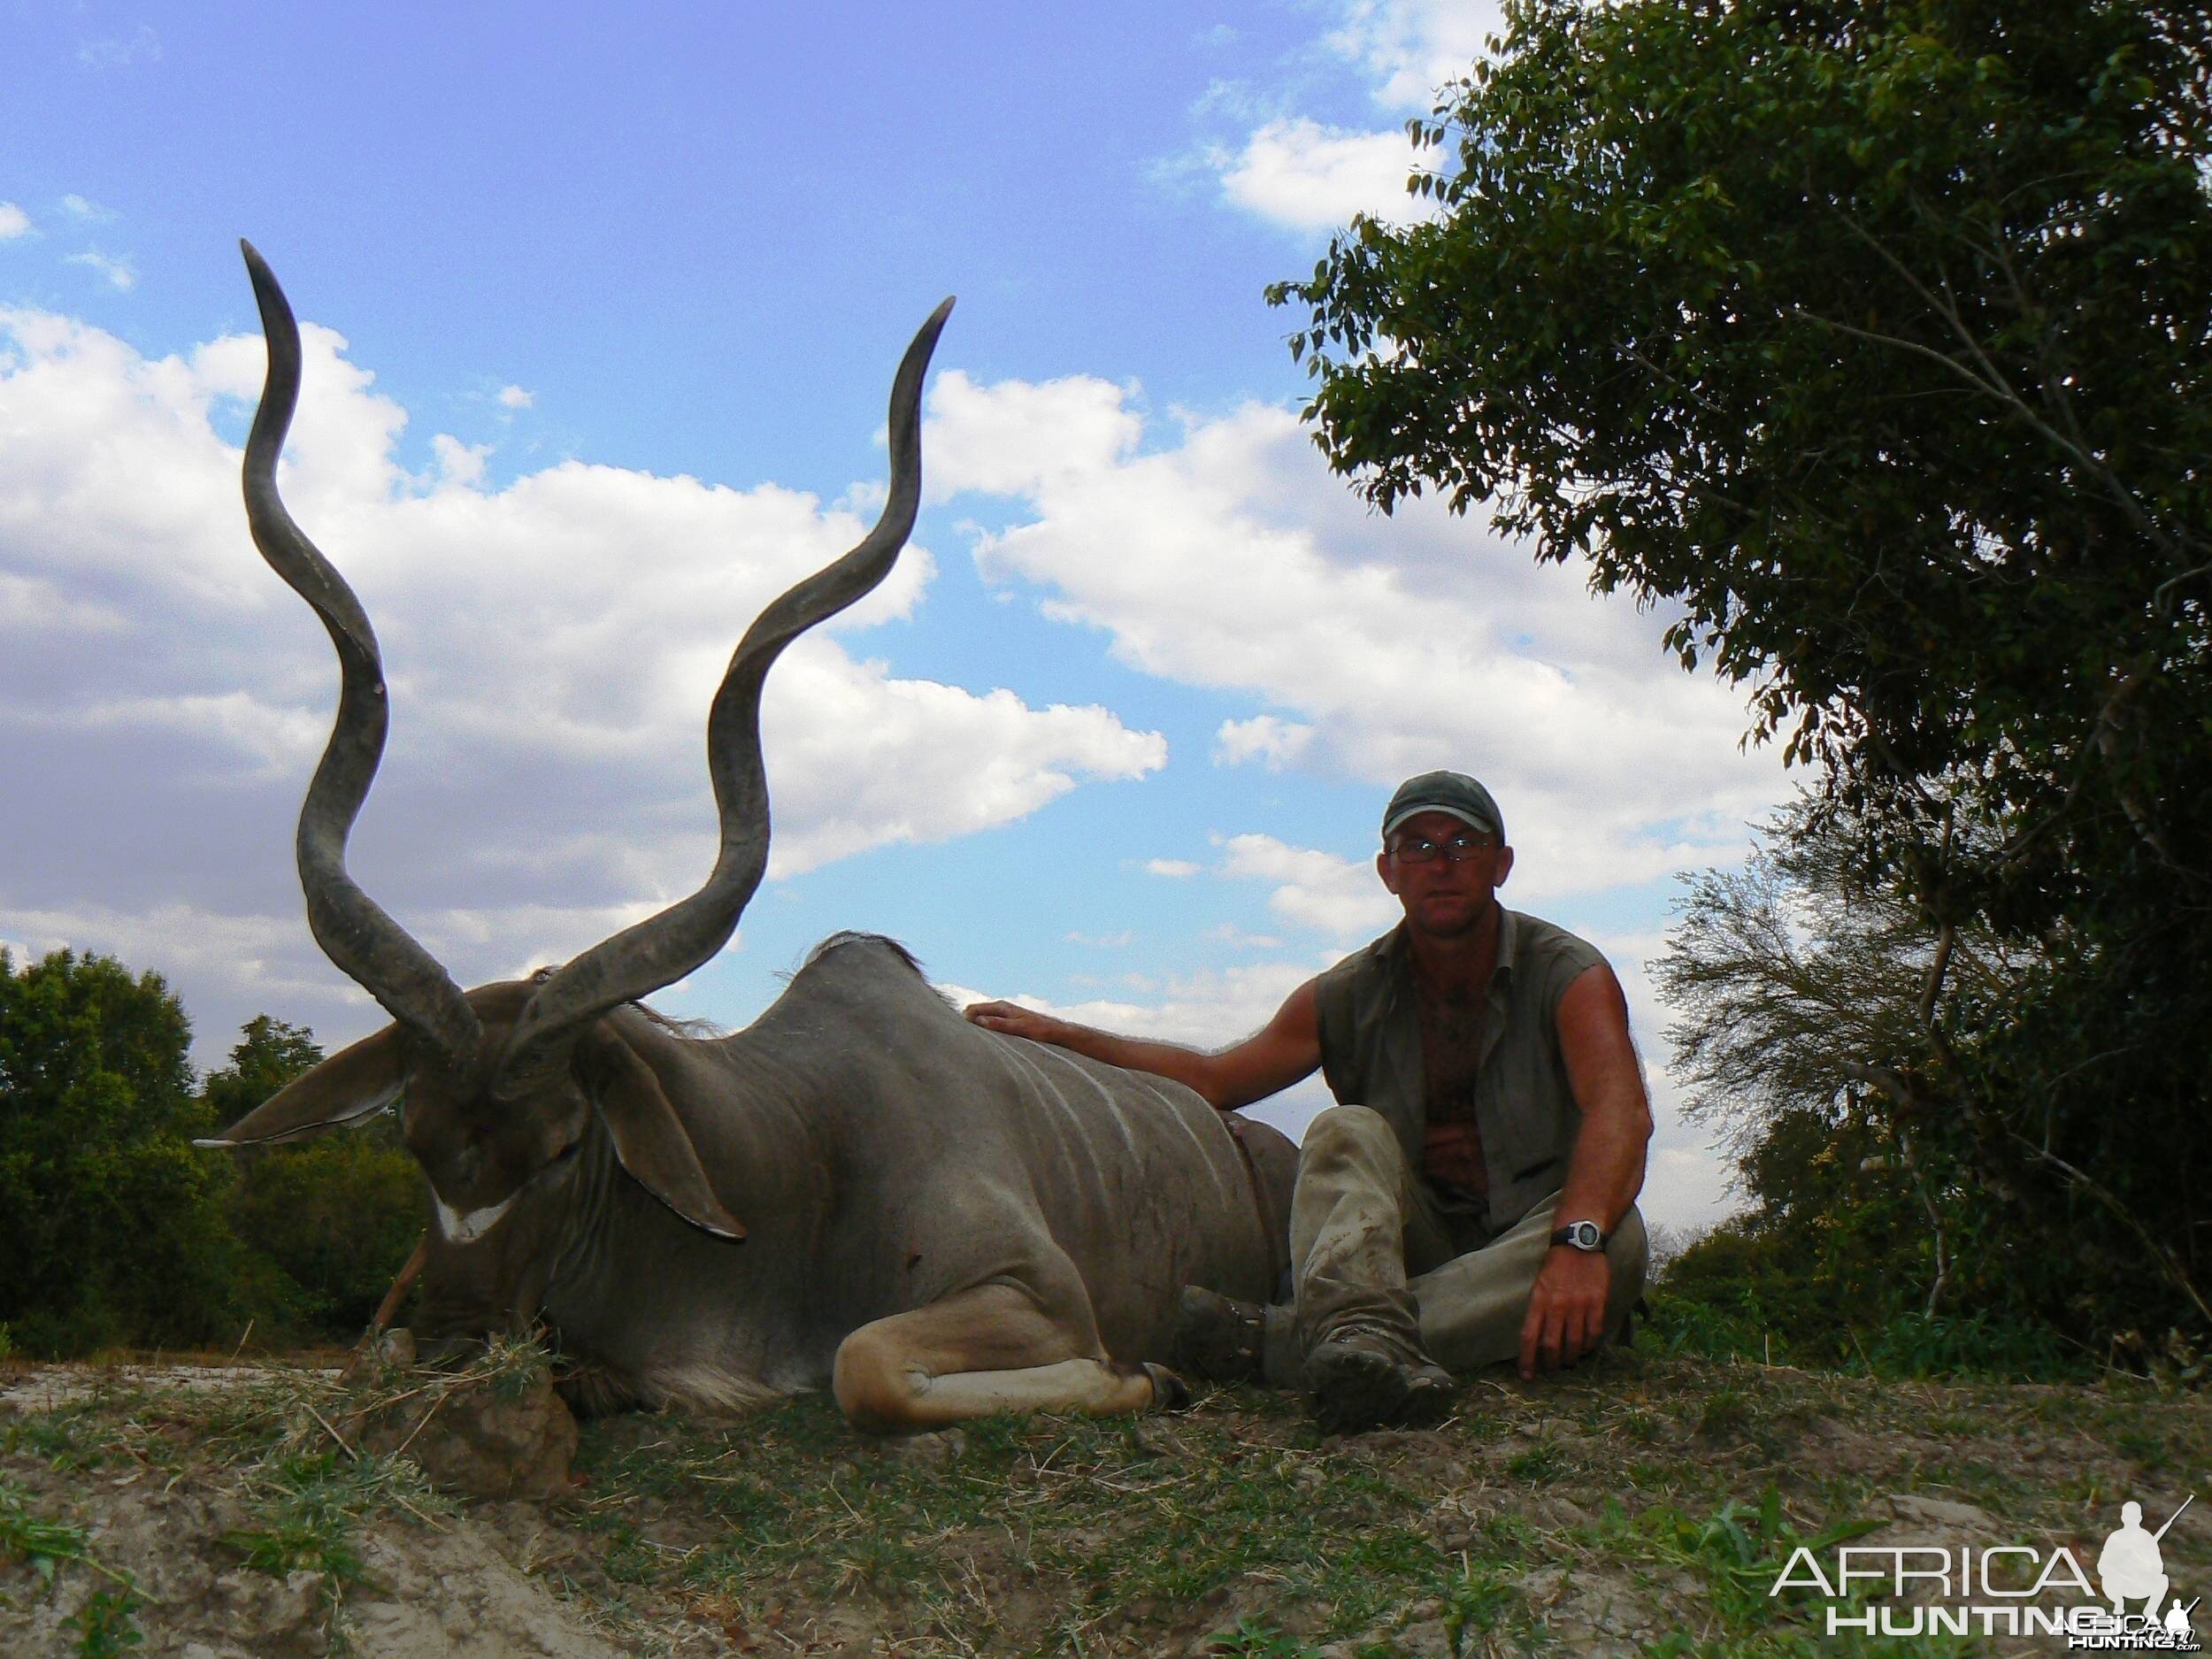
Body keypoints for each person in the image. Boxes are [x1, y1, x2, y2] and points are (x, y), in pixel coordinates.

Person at [964, 770, 1653, 1432]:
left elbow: (1620, 1111)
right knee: (1345, 1128)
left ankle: (1286, 1344)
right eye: (1417, 846)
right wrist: (1061, 1033)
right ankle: (1361, 1330)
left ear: (1501, 865)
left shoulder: (1571, 973)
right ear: (1388, 871)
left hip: (1531, 1241)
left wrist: (1576, 1242)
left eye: (1462, 845)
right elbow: (1215, 1079)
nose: (1440, 864)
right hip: (1414, 1255)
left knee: (1616, 1241)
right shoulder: (1346, 991)